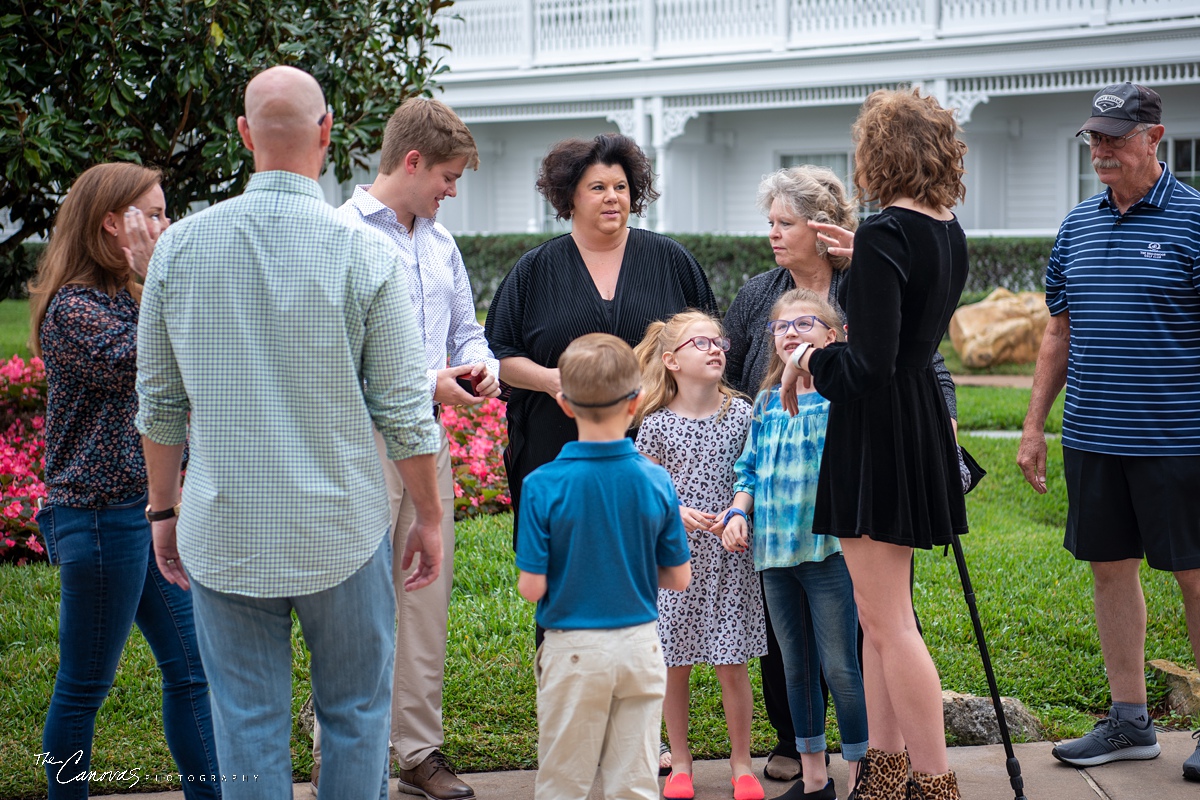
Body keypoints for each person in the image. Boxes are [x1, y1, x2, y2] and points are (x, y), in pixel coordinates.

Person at [135, 65, 444, 799]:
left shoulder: (180, 248)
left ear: (244, 135)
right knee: (357, 711)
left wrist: (161, 510)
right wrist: (428, 514)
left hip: (224, 520)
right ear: (328, 133)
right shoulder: (366, 253)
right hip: (343, 522)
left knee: (244, 720)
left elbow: (158, 404)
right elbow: (404, 408)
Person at [724, 165, 959, 782]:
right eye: (769, 223)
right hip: (783, 489)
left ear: (821, 226)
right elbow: (736, 374)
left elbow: (914, 361)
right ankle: (821, 757)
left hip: (862, 461)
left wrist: (943, 435)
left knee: (873, 628)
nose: (773, 234)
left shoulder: (866, 272)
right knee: (803, 639)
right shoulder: (758, 294)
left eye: (785, 223)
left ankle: (906, 773)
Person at [308, 95, 499, 800]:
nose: (454, 190)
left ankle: (418, 751)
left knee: (424, 599)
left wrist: (482, 369)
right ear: (412, 162)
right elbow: (332, 355)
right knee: (355, 607)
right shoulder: (338, 234)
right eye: (448, 176)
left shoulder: (441, 242)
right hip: (355, 444)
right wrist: (430, 382)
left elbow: (467, 333)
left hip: (426, 443)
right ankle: (341, 756)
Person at [781, 88, 970, 800]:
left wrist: (809, 359)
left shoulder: (890, 231)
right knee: (876, 615)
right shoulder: (944, 228)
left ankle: (934, 783)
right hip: (912, 417)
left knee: (891, 623)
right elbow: (913, 310)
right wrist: (864, 257)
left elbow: (868, 364)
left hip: (879, 428)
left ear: (876, 153)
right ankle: (885, 776)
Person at [1017, 82, 1200, 782]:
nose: (1102, 150)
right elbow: (1057, 331)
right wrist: (1034, 426)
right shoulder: (1079, 224)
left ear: (1155, 138)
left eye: (1116, 137)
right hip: (1093, 437)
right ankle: (1130, 721)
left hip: (1179, 442)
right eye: (1095, 138)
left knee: (1194, 576)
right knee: (1109, 573)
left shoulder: (1192, 220)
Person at [29, 163, 220, 799]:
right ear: (114, 223)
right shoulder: (74, 311)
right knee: (84, 687)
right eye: (156, 214)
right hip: (99, 517)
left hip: (143, 513)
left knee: (193, 672)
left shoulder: (127, 298)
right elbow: (158, 368)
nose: (167, 226)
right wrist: (157, 277)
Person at [484, 133, 718, 554]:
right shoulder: (535, 270)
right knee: (569, 578)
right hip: (560, 449)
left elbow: (709, 343)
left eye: (621, 187)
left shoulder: (671, 261)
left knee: (654, 586)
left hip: (661, 455)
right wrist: (553, 380)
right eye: (598, 188)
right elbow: (497, 354)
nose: (613, 198)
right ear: (569, 196)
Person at [515, 333, 692, 800]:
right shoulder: (657, 481)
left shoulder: (542, 484)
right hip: (640, 647)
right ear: (635, 403)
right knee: (634, 784)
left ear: (564, 404)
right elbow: (678, 577)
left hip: (572, 650)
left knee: (562, 784)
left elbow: (531, 588)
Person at [721, 288, 867, 800]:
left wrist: (815, 366)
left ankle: (859, 779)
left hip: (828, 550)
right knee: (796, 667)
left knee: (841, 666)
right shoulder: (764, 402)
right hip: (773, 553)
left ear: (832, 336)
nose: (790, 333)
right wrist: (739, 510)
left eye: (805, 324)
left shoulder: (842, 397)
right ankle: (814, 780)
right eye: (781, 327)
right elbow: (750, 468)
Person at [632, 311, 767, 800]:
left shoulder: (742, 413)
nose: (715, 349)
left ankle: (741, 764)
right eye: (700, 343)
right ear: (671, 361)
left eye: (719, 341)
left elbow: (751, 475)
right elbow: (645, 492)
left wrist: (738, 515)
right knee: (675, 665)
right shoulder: (656, 425)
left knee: (732, 665)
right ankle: (681, 762)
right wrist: (676, 511)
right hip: (676, 564)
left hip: (731, 561)